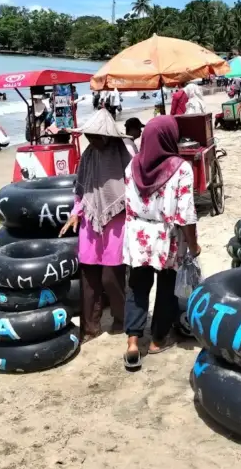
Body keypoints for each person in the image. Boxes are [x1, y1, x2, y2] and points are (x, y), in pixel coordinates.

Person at [123, 116, 200, 370]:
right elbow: (186, 212)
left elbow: (128, 205)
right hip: (167, 235)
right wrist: (193, 244)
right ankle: (157, 340)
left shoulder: (132, 166)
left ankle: (133, 342)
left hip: (137, 233)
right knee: (167, 287)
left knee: (137, 285)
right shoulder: (181, 167)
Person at [60, 110, 135, 342]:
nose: (92, 141)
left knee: (112, 277)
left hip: (117, 221)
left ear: (108, 137)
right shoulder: (89, 155)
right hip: (90, 222)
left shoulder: (124, 154)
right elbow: (81, 190)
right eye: (89, 137)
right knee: (89, 277)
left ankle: (121, 318)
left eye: (96, 137)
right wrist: (76, 213)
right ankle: (90, 328)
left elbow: (134, 186)